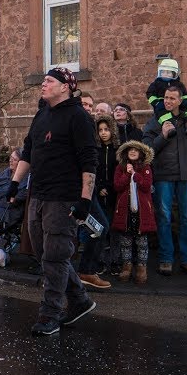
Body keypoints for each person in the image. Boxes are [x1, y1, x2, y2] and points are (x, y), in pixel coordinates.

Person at [6, 67, 99, 336]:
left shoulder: (79, 117)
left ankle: (51, 313)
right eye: (43, 80)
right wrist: (15, 182)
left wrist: (85, 199)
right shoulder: (41, 115)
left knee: (56, 256)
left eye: (49, 81)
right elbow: (28, 152)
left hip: (64, 197)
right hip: (38, 194)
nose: (43, 85)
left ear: (65, 87)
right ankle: (80, 300)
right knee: (44, 253)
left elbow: (88, 160)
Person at [142, 82, 187, 277]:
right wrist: (162, 136)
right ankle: (166, 259)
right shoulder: (155, 121)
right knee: (164, 217)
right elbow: (148, 151)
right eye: (165, 98)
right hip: (163, 176)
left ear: (180, 100)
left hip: (186, 176)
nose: (168, 101)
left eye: (172, 98)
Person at [76, 113, 119, 289]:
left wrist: (108, 186)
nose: (103, 133)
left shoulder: (116, 150)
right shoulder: (93, 147)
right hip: (89, 191)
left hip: (104, 193)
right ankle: (87, 268)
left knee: (104, 228)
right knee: (97, 228)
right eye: (99, 130)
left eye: (106, 129)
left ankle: (88, 269)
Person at [111, 140, 156, 284]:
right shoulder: (120, 168)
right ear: (125, 153)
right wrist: (127, 174)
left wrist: (135, 174)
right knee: (126, 241)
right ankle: (126, 266)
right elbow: (117, 186)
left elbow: (146, 186)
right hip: (126, 212)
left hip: (141, 212)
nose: (133, 151)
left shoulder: (146, 167)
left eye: (136, 150)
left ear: (141, 153)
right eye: (130, 149)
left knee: (142, 241)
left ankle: (141, 268)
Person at [146, 56, 187, 130]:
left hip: (178, 105)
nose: (165, 74)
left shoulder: (179, 84)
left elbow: (186, 93)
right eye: (163, 72)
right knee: (162, 114)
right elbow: (150, 94)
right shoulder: (156, 83)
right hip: (161, 104)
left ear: (174, 74)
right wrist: (156, 103)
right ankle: (169, 127)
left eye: (168, 72)